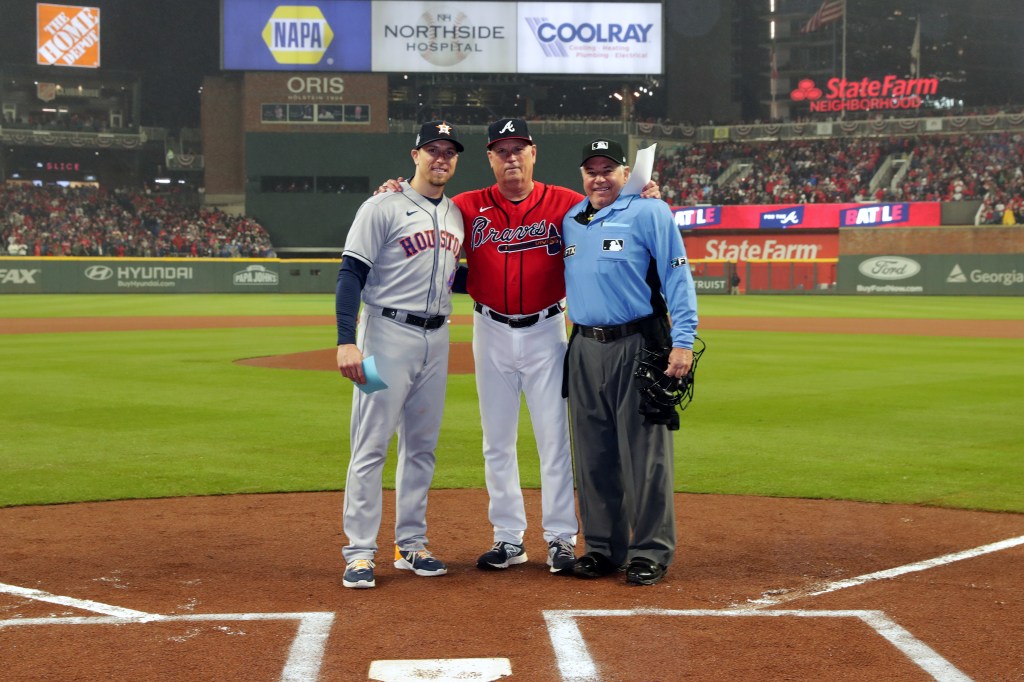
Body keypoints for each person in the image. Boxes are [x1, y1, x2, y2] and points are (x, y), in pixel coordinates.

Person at [376, 119, 661, 576]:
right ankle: (508, 538)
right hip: (489, 330)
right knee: (497, 441)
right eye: (500, 150)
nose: (511, 158)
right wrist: (393, 190)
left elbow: (613, 212)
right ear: (489, 158)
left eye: (518, 149)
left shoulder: (567, 204)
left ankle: (561, 540)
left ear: (534, 154)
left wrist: (640, 196)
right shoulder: (466, 207)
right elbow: (419, 205)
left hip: (547, 329)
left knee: (554, 439)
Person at [561, 138, 698, 587]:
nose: (599, 178)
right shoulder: (571, 219)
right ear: (583, 175)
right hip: (583, 346)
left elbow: (677, 275)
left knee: (645, 455)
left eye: (608, 170)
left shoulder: (650, 211)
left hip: (636, 343)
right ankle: (602, 547)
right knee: (593, 456)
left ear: (625, 172)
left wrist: (682, 342)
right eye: (591, 170)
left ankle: (650, 550)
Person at [334, 121, 465, 589]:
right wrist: (345, 340)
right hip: (381, 336)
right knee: (370, 444)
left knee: (422, 447)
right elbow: (350, 273)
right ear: (415, 155)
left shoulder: (455, 214)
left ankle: (411, 544)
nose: (441, 158)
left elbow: (454, 276)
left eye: (449, 151)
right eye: (432, 149)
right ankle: (360, 553)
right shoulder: (381, 205)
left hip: (436, 339)